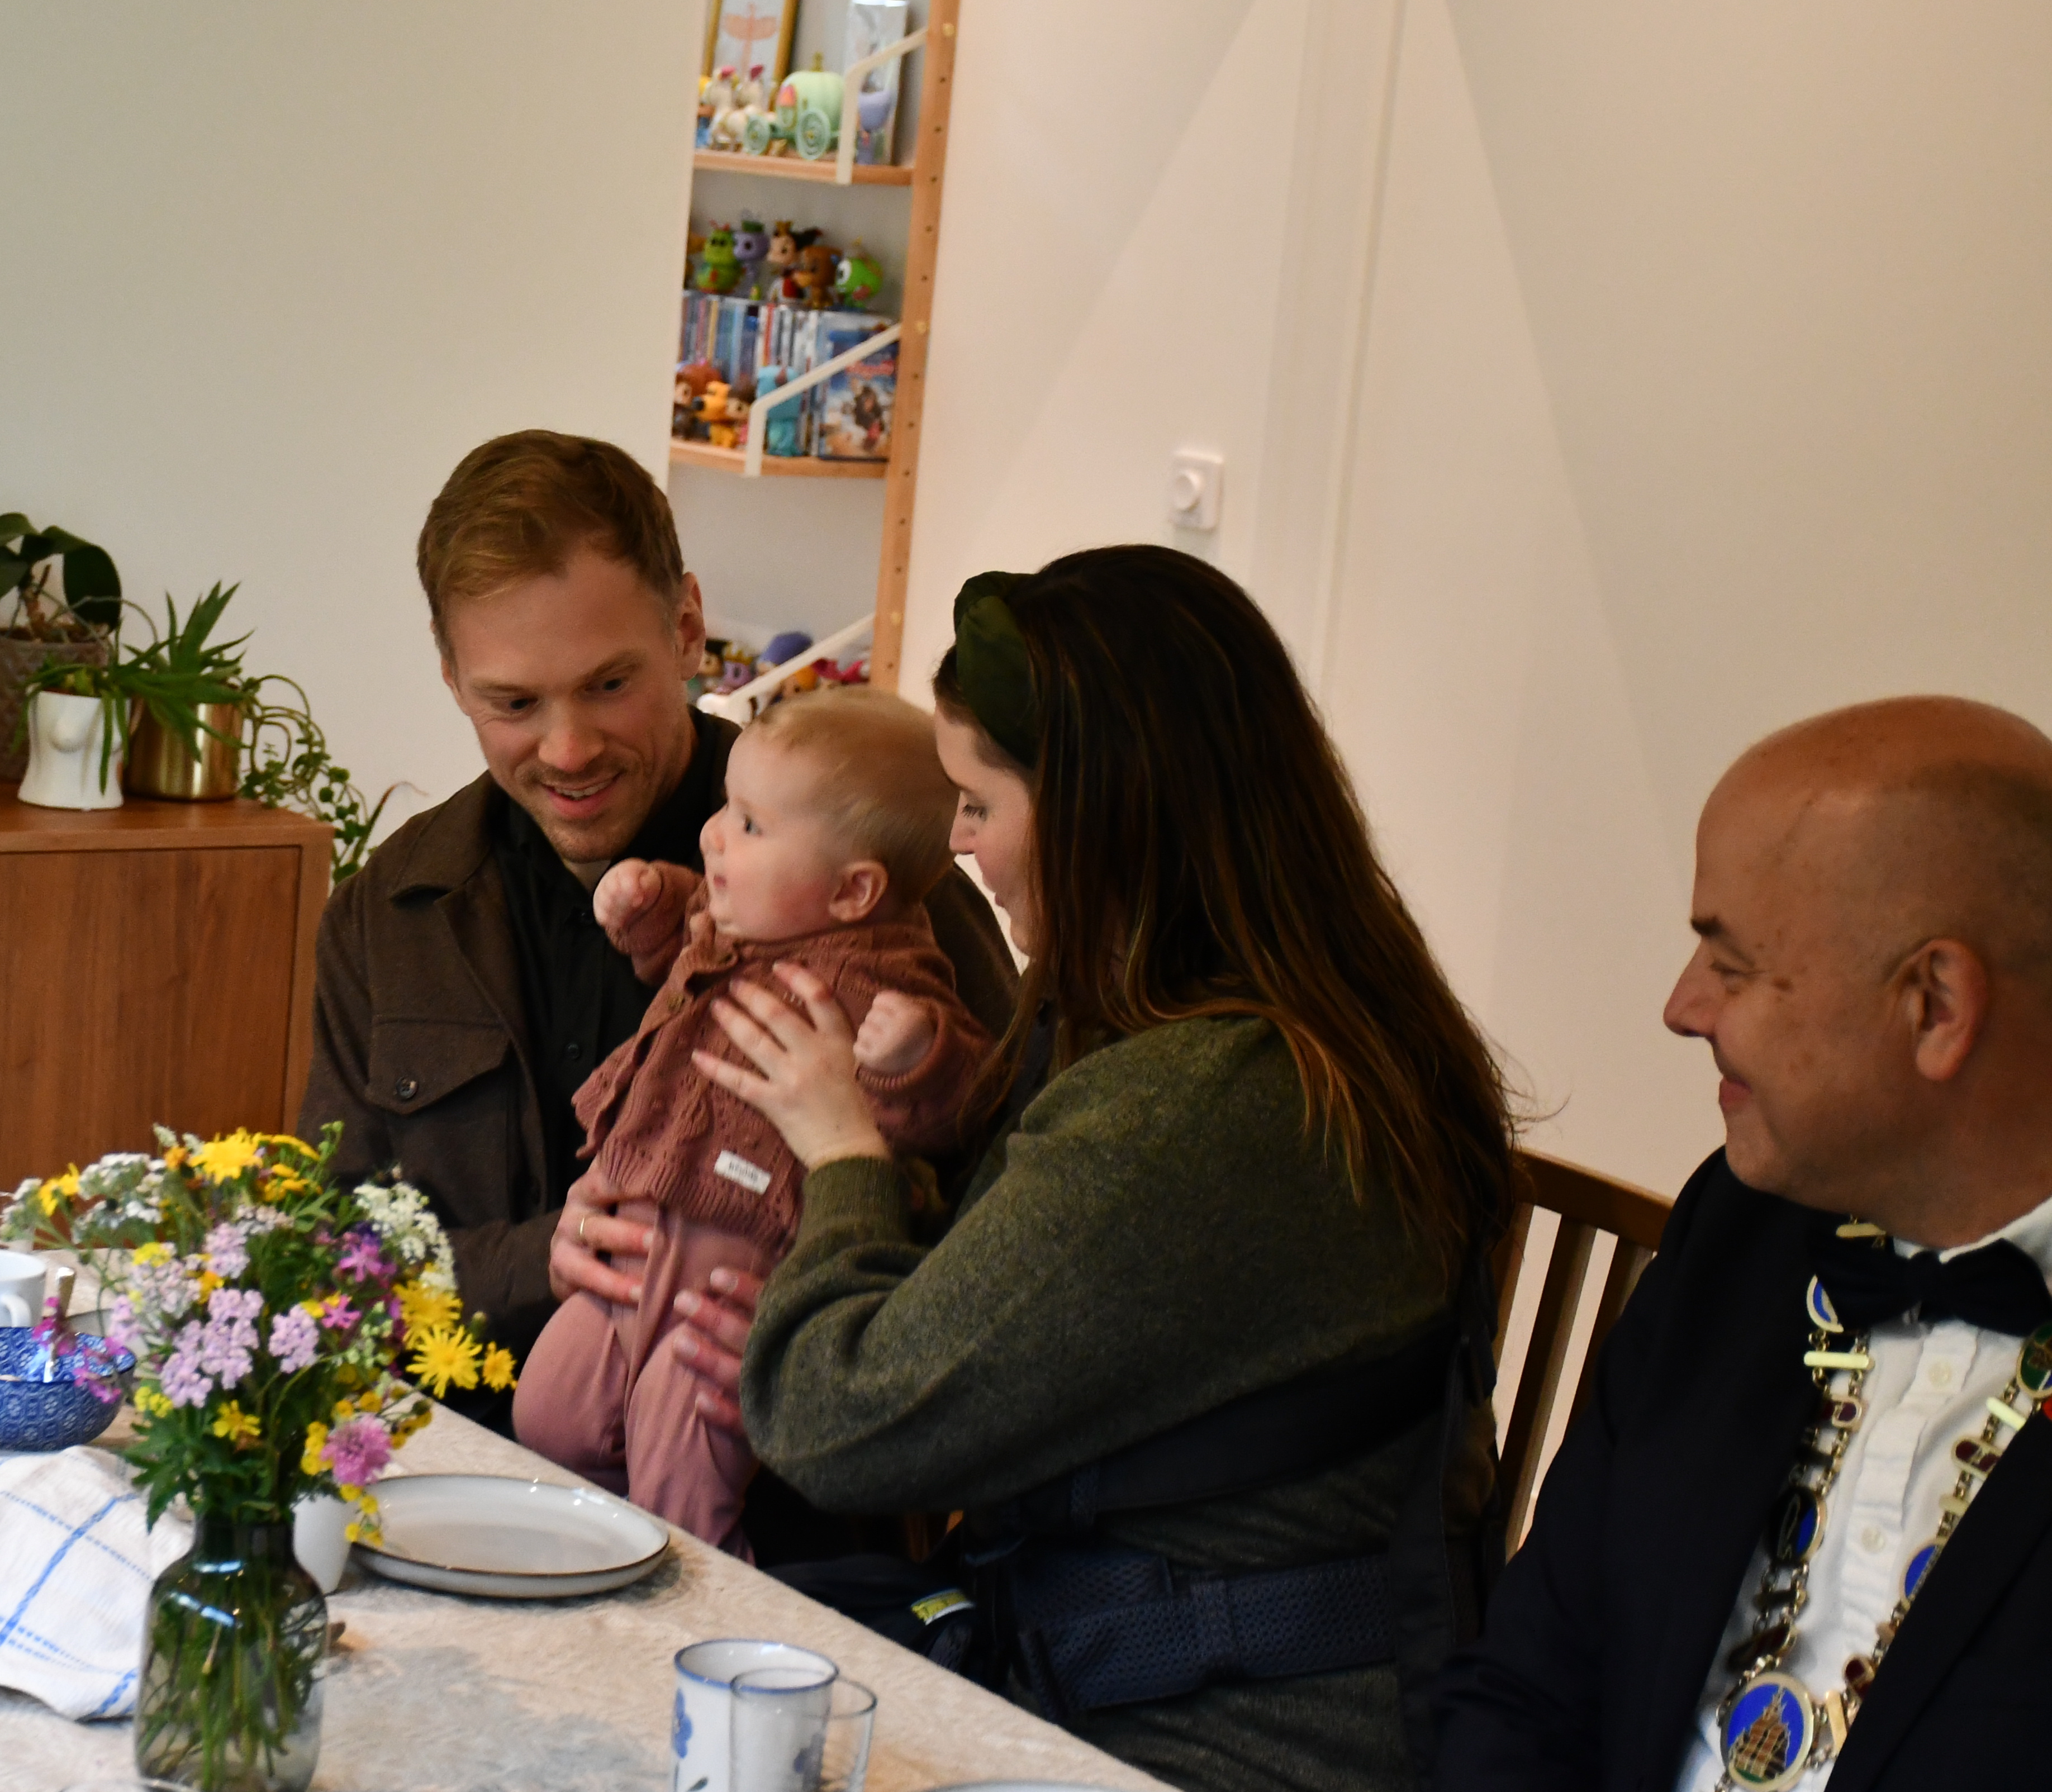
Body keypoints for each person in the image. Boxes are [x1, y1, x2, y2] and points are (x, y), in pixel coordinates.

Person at [650, 551, 1517, 1792]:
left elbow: (839, 1420)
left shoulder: (1195, 1103)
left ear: (1105, 811)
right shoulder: (1312, 1021)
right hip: (1140, 1669)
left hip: (1205, 1737)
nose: (956, 847)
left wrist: (844, 1152)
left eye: (979, 803)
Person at [296, 430, 1018, 1370]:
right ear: (451, 678)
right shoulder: (389, 913)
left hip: (764, 1484)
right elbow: (326, 1257)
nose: (567, 749)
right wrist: (529, 1263)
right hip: (458, 1465)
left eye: (608, 685)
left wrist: (816, 1313)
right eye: (514, 705)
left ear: (686, 628)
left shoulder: (866, 867)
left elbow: (1013, 1217)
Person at [1436, 696, 2052, 1790]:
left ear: (1936, 1003)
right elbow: (1531, 1682)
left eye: (1733, 961)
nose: (1682, 1006)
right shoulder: (1739, 1229)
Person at [512, 688, 991, 1553]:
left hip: (740, 1265)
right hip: (638, 1224)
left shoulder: (889, 977)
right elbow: (688, 936)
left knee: (682, 1456)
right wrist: (654, 904)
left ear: (853, 891)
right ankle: (588, 1558)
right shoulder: (744, 926)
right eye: (728, 809)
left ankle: (700, 1621)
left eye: (751, 827)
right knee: (549, 1411)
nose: (714, 834)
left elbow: (960, 1101)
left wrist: (914, 1050)